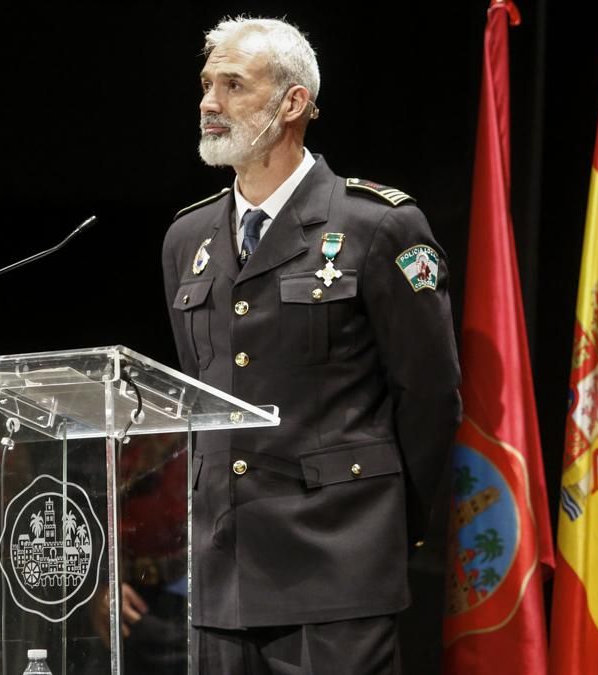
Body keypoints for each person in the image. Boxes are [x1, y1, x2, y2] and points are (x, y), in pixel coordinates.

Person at [158, 16, 461, 674]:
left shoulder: (377, 226)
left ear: (292, 102)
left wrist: (384, 525)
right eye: (207, 84)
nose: (209, 102)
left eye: (234, 85)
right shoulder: (189, 239)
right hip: (223, 569)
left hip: (337, 564)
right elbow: (203, 398)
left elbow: (431, 396)